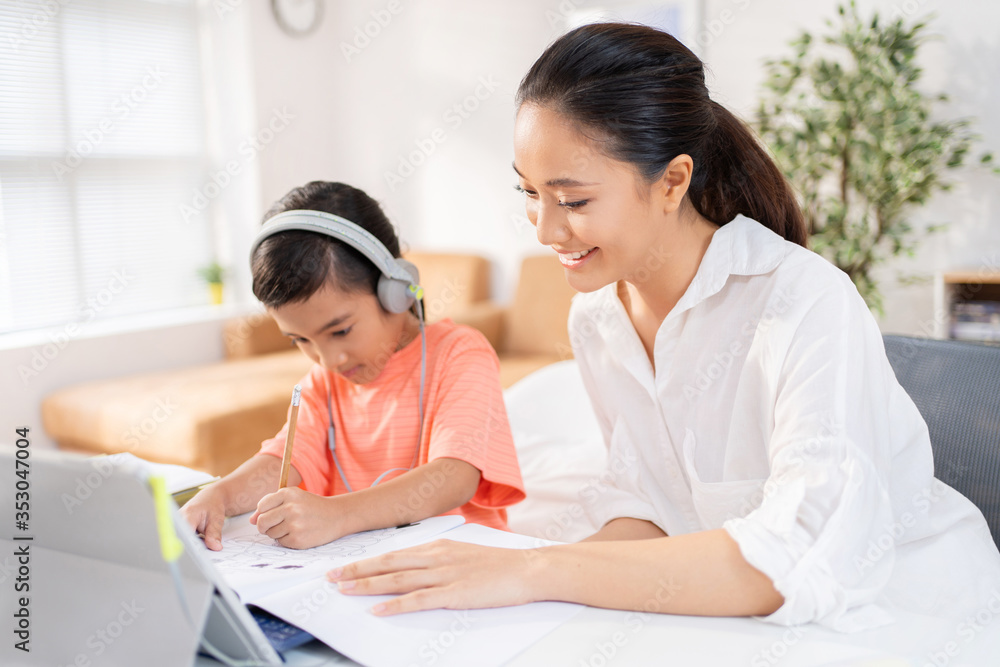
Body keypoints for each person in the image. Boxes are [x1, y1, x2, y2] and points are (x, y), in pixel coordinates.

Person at [325, 23, 1000, 631]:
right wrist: (521, 575)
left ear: (673, 181)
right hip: (722, 592)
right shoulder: (596, 315)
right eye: (527, 192)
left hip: (895, 601)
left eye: (573, 200)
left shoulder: (805, 301)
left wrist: (537, 572)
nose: (544, 229)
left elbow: (796, 554)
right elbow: (648, 502)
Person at [181, 181, 525, 550]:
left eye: (340, 330)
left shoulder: (459, 354)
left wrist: (336, 514)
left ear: (394, 289)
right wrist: (219, 495)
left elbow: (454, 476)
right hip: (361, 567)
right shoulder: (324, 382)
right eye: (301, 340)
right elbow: (284, 459)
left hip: (461, 563)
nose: (328, 360)